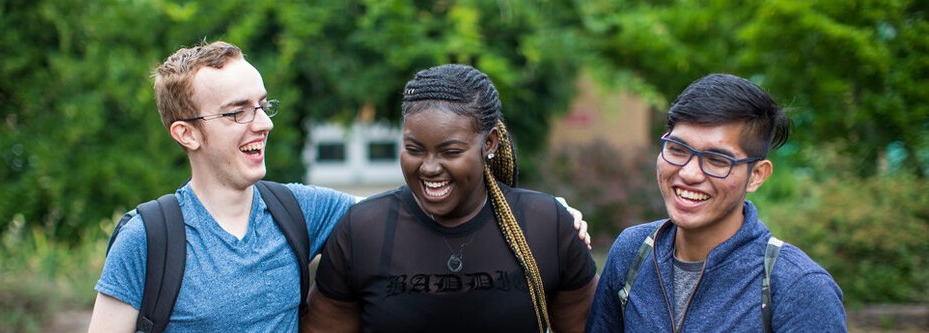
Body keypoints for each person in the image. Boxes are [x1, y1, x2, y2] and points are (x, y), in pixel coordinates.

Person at [88, 41, 592, 332]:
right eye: (236, 112)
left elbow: (412, 212)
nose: (261, 123)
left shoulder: (301, 211)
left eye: (263, 105)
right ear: (186, 132)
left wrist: (550, 213)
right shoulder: (149, 239)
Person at [303, 64, 598, 333]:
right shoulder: (363, 230)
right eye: (414, 149)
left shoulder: (545, 224)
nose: (429, 167)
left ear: (490, 143)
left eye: (451, 152)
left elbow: (589, 326)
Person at [585, 74, 847, 332]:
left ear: (756, 175)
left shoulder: (798, 287)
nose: (689, 173)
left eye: (717, 160)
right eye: (677, 150)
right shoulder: (633, 252)